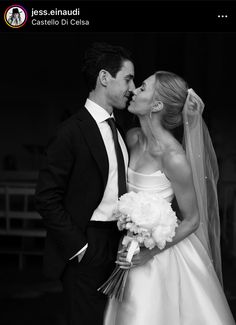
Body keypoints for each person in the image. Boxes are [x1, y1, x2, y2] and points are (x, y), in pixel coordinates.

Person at [104, 71, 235, 324]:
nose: (135, 91)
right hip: (128, 248)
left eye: (143, 87)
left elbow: (193, 219)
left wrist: (149, 253)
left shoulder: (173, 158)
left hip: (160, 256)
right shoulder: (132, 138)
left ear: (156, 105)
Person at [35, 42, 135, 325]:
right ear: (104, 77)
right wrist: (81, 249)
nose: (132, 87)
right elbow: (46, 197)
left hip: (118, 246)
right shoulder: (70, 131)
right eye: (128, 78)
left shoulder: (120, 129)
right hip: (86, 245)